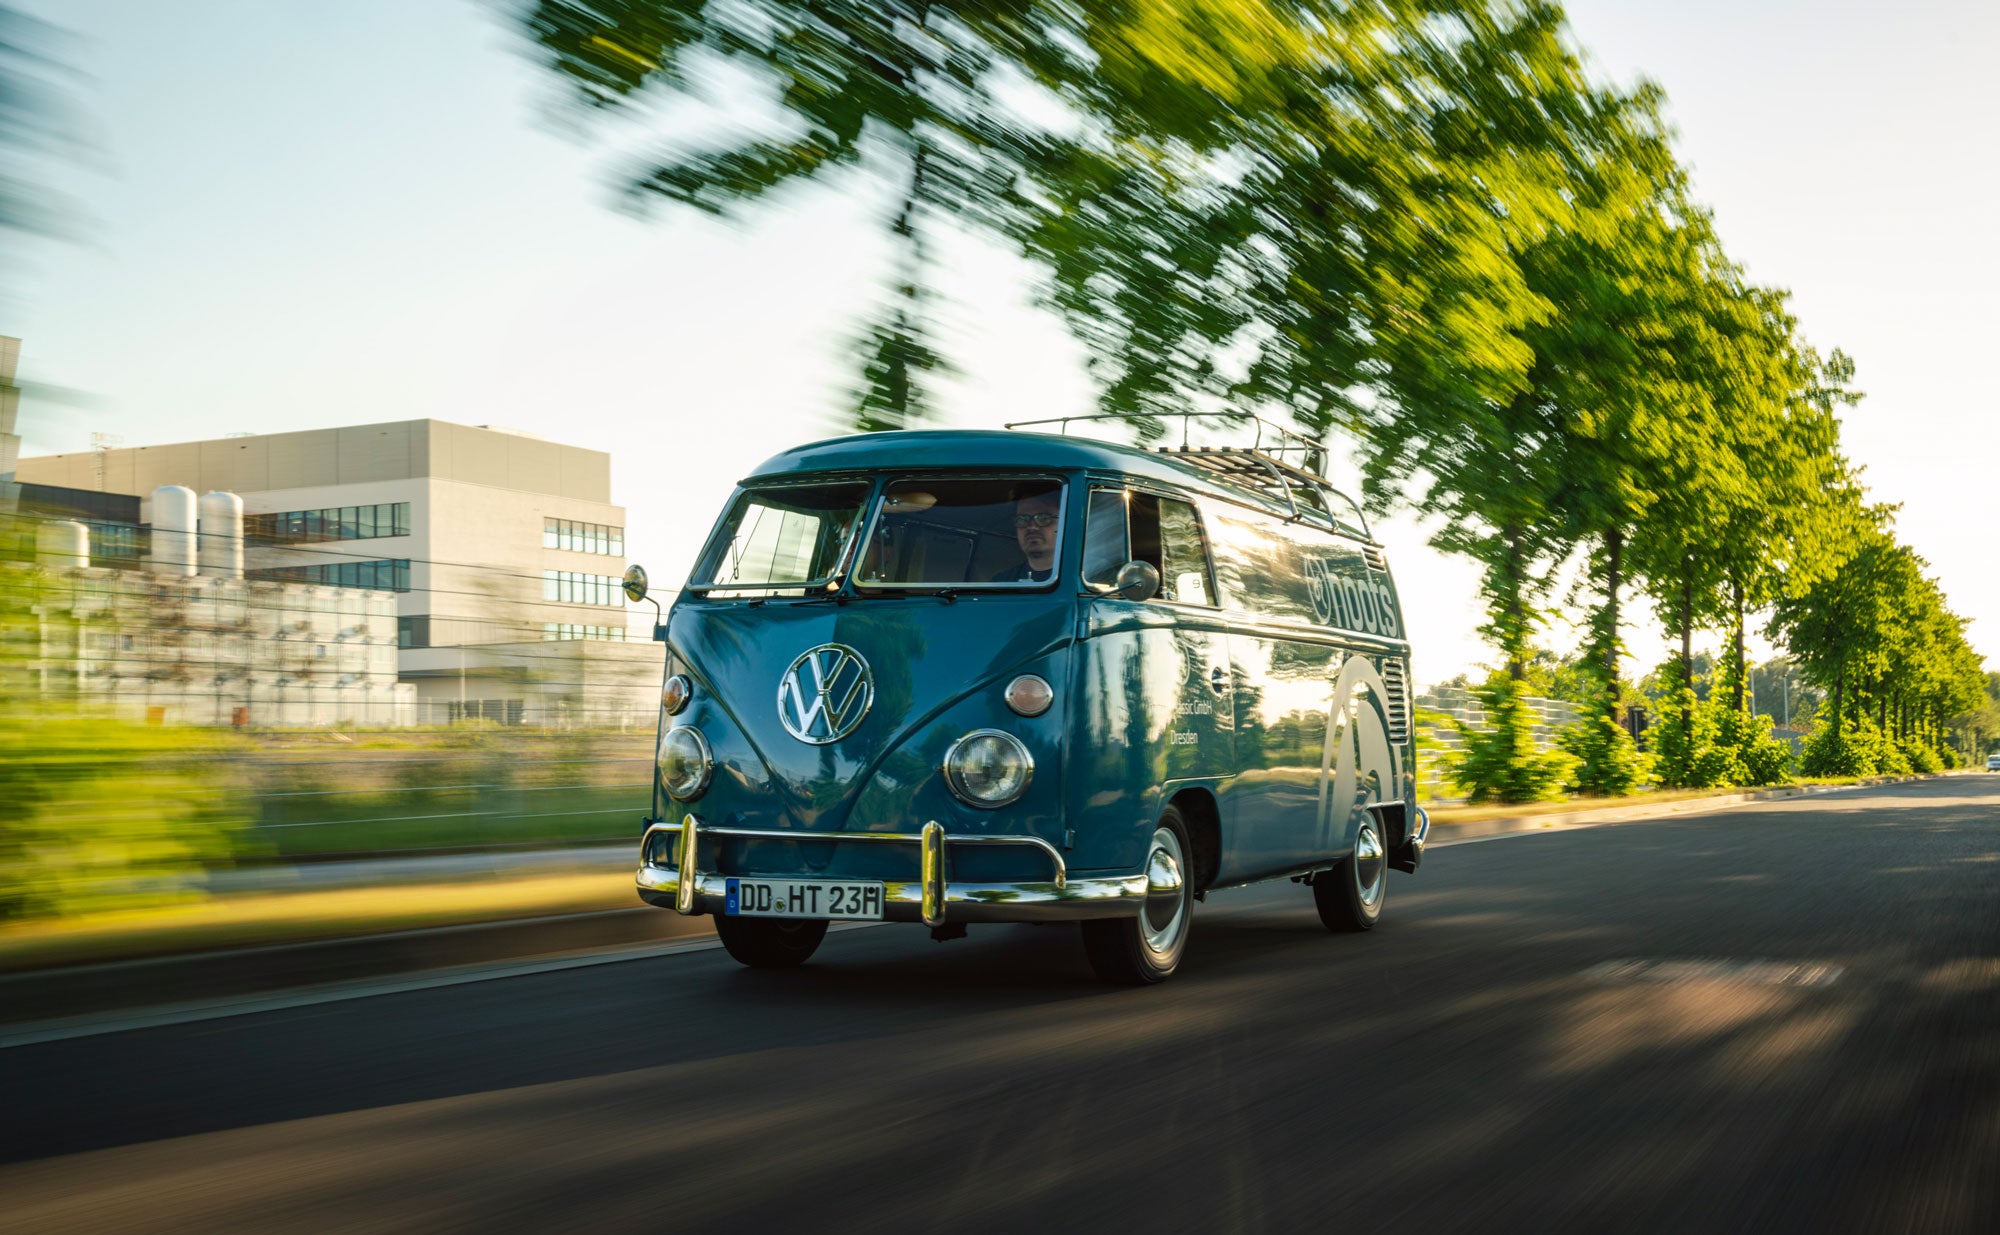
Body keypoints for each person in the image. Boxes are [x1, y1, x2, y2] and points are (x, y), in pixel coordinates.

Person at [991, 489, 1059, 582]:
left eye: (1043, 518)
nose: (1031, 527)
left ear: (1064, 522)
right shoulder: (1002, 583)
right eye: (1022, 518)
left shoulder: (1080, 580)